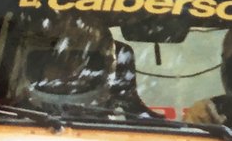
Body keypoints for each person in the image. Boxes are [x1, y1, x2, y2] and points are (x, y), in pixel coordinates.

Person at [12, 13, 151, 117]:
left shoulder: (124, 134)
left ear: (109, 66)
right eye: (60, 63)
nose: (72, 71)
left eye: (89, 63)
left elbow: (132, 105)